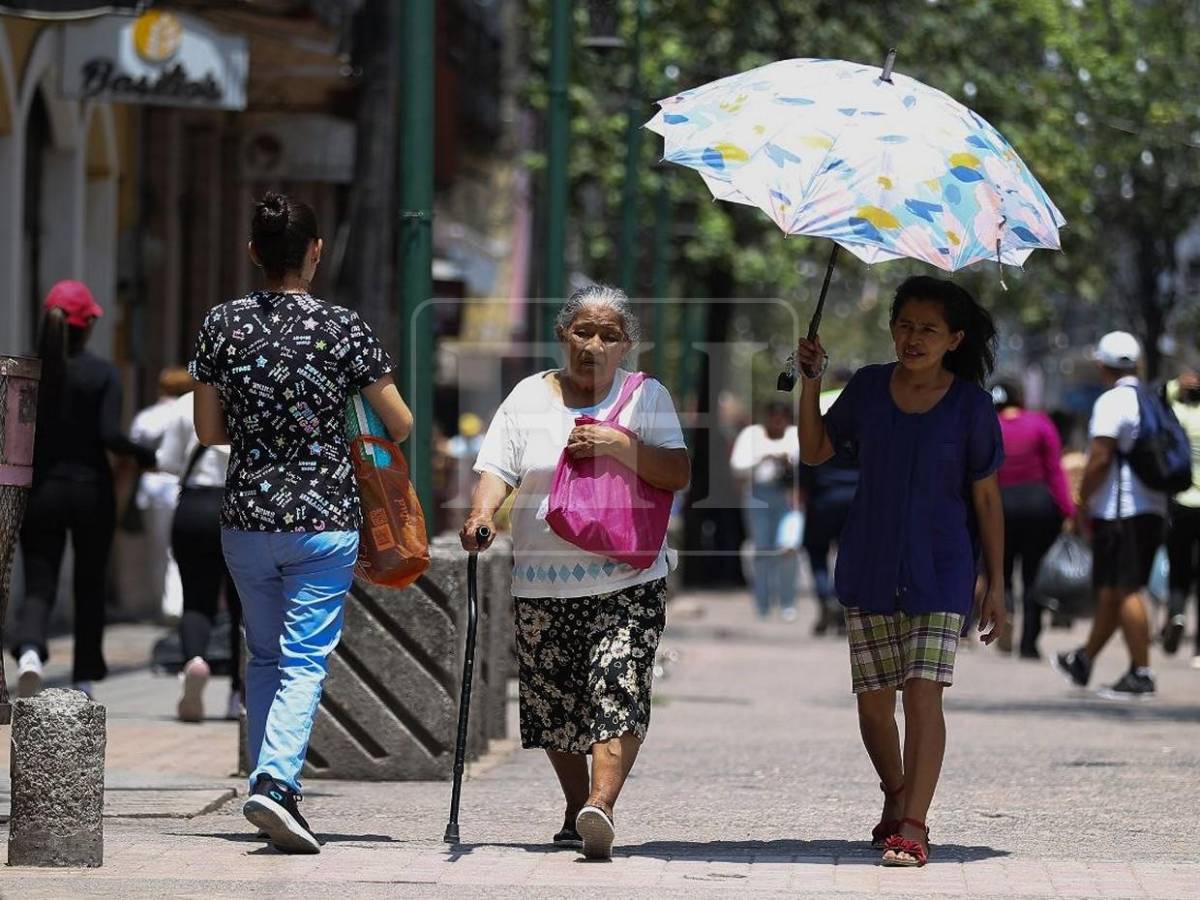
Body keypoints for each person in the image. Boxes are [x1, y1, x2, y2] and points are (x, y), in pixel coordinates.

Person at [189, 192, 412, 853]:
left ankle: (267, 778)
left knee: (263, 655)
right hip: (324, 518)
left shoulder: (220, 325)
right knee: (304, 659)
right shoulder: (345, 328)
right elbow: (398, 424)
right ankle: (278, 785)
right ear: (315, 252)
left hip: (246, 518)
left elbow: (207, 430)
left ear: (254, 252)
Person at [460, 284, 690, 860]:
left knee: (618, 687)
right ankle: (576, 806)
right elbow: (497, 466)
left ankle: (601, 805)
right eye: (583, 331)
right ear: (563, 335)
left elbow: (678, 471)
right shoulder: (526, 398)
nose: (594, 344)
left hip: (626, 577)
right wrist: (482, 514)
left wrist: (618, 443)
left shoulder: (647, 398)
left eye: (609, 335)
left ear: (627, 346)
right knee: (553, 706)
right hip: (540, 581)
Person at [796, 275, 1006, 868]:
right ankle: (895, 789)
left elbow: (987, 500)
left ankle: (914, 824)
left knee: (923, 696)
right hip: (868, 560)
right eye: (905, 325)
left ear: (954, 339)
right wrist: (810, 381)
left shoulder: (971, 406)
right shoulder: (865, 388)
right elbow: (815, 450)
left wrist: (997, 583)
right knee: (872, 705)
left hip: (942, 568)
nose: (913, 338)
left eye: (928, 329)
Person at [10, 280, 157, 698]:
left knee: (40, 581)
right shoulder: (103, 374)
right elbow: (110, 434)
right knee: (90, 584)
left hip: (41, 492)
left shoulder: (29, 372)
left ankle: (31, 655)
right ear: (88, 324)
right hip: (92, 492)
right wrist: (144, 455)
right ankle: (83, 677)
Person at [1052, 332, 1166, 700]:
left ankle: (1141, 674)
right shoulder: (1149, 398)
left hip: (1121, 510)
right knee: (1111, 592)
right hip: (1150, 507)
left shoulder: (1113, 401)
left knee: (1126, 589)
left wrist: (1082, 498)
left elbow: (1100, 457)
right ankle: (1084, 659)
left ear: (1102, 366)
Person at [156, 390, 243, 722]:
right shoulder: (251, 391)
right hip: (238, 504)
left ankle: (194, 661)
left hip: (193, 506)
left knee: (195, 597)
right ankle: (238, 693)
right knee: (243, 604)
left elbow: (167, 460)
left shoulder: (185, 403)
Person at [991, 380, 1074, 658]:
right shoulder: (1039, 423)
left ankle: (1006, 612)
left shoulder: (989, 426)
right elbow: (1055, 471)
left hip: (1000, 505)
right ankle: (1029, 642)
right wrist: (1068, 511)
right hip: (1038, 506)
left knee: (999, 570)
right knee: (1033, 575)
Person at [130, 367, 195, 620]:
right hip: (182, 483)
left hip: (153, 484)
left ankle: (167, 604)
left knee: (160, 547)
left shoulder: (147, 417)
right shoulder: (188, 411)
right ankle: (176, 602)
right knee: (181, 548)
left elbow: (132, 453)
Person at [799, 375, 860, 635]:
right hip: (857, 497)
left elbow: (806, 455)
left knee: (816, 551)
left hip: (823, 498)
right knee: (851, 556)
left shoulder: (820, 406)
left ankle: (825, 596)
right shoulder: (864, 410)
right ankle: (842, 602)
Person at [730, 400, 800, 620]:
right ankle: (762, 603)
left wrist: (788, 463)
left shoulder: (795, 435)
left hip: (788, 497)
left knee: (788, 547)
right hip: (758, 496)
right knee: (762, 551)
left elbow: (808, 461)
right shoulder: (752, 435)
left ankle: (788, 602)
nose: (778, 421)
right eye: (774, 416)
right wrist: (763, 458)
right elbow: (737, 465)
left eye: (783, 416)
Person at [1162, 370, 1200, 668]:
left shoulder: (1178, 416)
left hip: (1180, 503)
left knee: (1179, 568)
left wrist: (1176, 384)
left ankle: (1176, 614)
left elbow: (1158, 398)